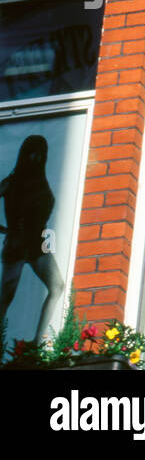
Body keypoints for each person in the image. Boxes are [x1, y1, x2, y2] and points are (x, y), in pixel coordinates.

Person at [0, 135, 65, 350]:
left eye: (40, 153)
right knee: (5, 298)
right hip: (20, 242)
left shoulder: (36, 179)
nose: (36, 157)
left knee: (57, 286)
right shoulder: (15, 179)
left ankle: (37, 342)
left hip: (36, 240)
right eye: (32, 152)